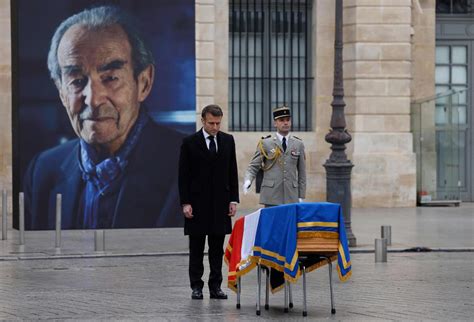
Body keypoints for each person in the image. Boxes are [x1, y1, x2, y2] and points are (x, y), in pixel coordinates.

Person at [23, 5, 185, 230]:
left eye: (110, 78)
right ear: (61, 91)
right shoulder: (43, 170)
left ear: (144, 83)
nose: (93, 99)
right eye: (77, 81)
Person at [178, 105, 239, 300]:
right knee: (196, 248)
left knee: (216, 249)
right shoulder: (189, 143)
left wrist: (233, 200)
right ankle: (196, 286)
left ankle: (216, 287)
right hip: (196, 204)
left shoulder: (228, 141)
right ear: (203, 121)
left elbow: (232, 172)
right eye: (211, 123)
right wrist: (185, 202)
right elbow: (183, 176)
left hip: (220, 204)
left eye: (218, 123)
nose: (215, 127)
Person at [243, 105, 306, 206]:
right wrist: (248, 180)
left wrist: (301, 195)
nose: (285, 123)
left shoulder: (298, 144)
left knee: (289, 221)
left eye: (288, 120)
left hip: (291, 195)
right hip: (271, 195)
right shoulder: (266, 143)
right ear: (275, 123)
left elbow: (302, 172)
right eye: (281, 120)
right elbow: (254, 166)